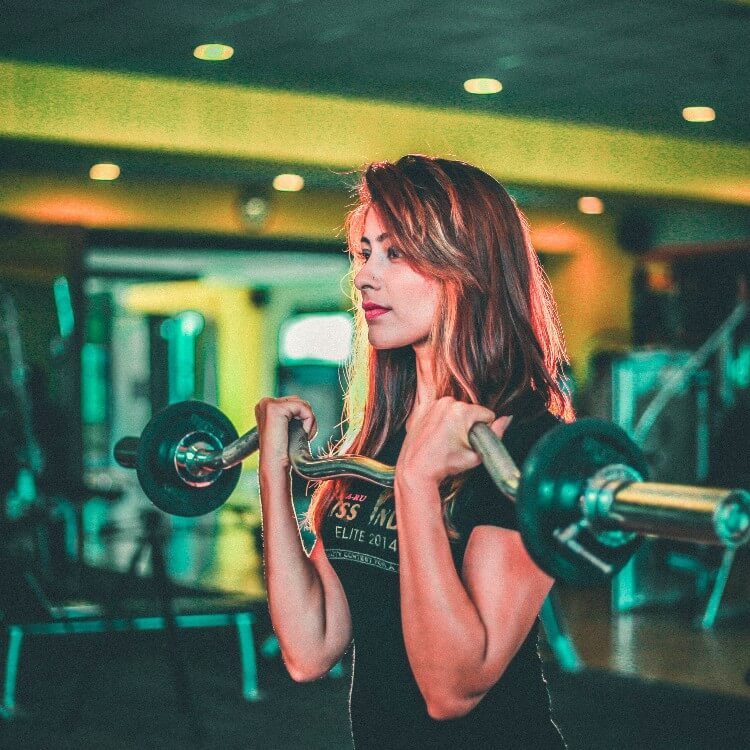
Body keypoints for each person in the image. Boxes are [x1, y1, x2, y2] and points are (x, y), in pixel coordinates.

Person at [255, 154, 571, 749]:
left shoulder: (527, 445)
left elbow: (453, 689)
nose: (366, 275)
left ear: (465, 266)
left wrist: (417, 486)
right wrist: (274, 475)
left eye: (396, 252)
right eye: (364, 252)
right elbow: (309, 646)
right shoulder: (382, 437)